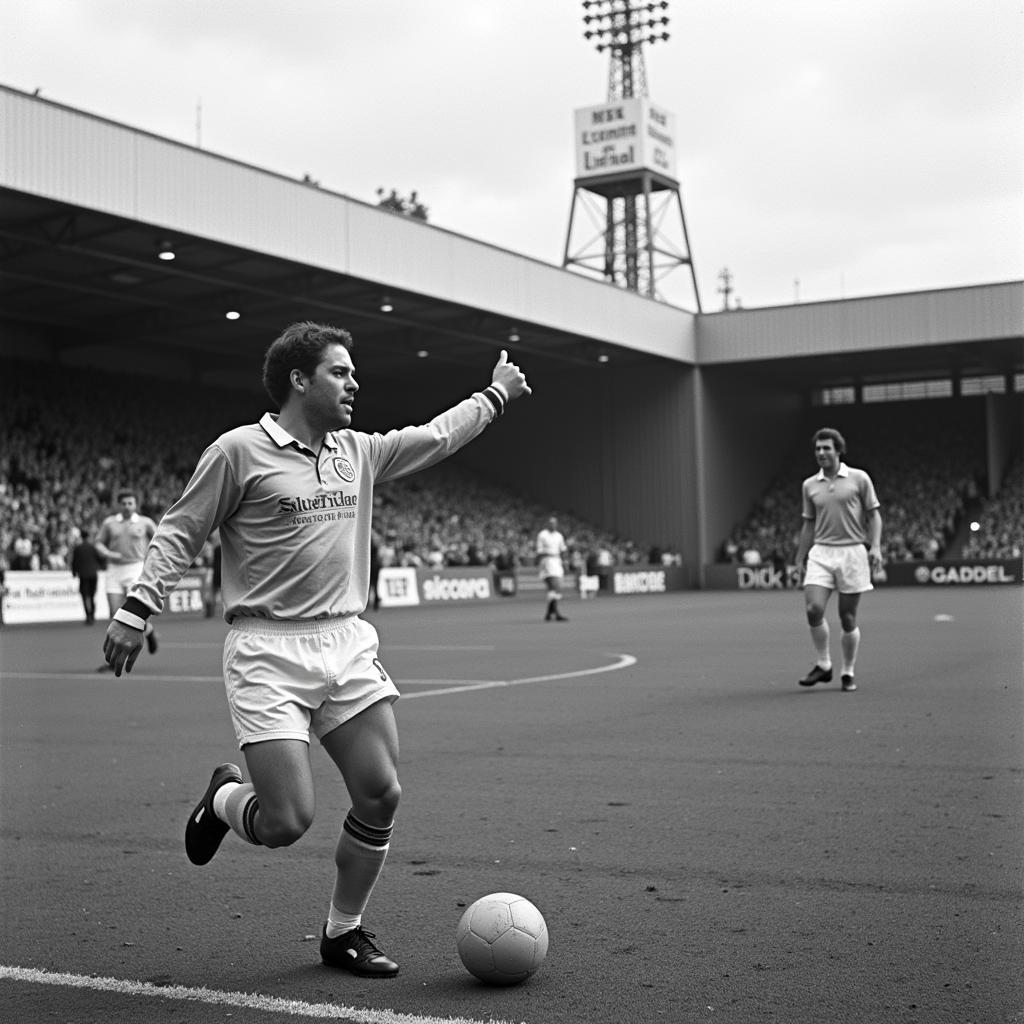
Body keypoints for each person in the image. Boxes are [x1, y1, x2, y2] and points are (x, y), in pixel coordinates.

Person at [102, 321, 530, 978]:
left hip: (347, 644)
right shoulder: (237, 451)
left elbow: (438, 437)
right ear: (300, 381)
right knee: (285, 821)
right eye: (340, 371)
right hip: (266, 652)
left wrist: (494, 395)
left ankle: (343, 932)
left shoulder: (357, 451)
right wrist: (137, 607)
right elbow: (180, 532)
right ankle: (223, 797)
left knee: (381, 793)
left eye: (353, 372)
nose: (354, 381)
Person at [794, 427, 883, 693]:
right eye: (817, 448)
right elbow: (808, 523)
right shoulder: (809, 485)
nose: (821, 453)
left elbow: (874, 515)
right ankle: (823, 665)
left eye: (826, 448)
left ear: (838, 450)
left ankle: (847, 671)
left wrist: (876, 546)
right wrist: (799, 559)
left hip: (852, 552)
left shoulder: (859, 478)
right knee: (813, 610)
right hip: (821, 552)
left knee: (847, 617)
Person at [95, 490, 159, 662]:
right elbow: (99, 543)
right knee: (115, 614)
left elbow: (159, 541)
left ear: (135, 505)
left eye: (130, 503)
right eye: (123, 503)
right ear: (118, 505)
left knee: (132, 612)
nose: (127, 507)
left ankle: (118, 658)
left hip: (136, 568)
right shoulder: (109, 523)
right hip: (114, 569)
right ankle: (149, 630)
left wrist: (151, 561)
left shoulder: (145, 522)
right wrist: (108, 553)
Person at [536, 515, 569, 622]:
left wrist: (565, 562)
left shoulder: (559, 536)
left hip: (557, 561)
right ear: (547, 524)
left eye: (555, 523)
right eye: (551, 523)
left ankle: (549, 613)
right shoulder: (542, 535)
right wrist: (542, 563)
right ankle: (556, 613)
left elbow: (563, 549)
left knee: (555, 589)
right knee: (555, 586)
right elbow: (539, 551)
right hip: (547, 561)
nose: (553, 525)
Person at [70, 528, 105, 625]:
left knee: (85, 595)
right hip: (93, 574)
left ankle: (88, 615)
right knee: (92, 595)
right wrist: (100, 566)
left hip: (83, 574)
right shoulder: (92, 547)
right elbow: (100, 559)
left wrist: (74, 572)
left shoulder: (78, 548)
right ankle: (92, 614)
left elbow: (74, 561)